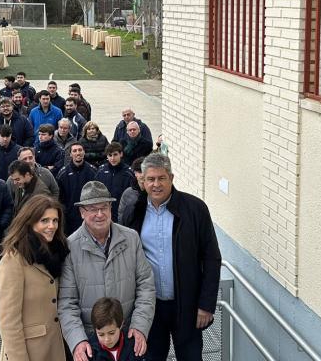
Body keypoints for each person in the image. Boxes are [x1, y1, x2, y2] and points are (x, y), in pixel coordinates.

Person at [123, 153, 222, 361]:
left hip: (187, 306)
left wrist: (206, 304)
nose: (156, 184)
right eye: (150, 179)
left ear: (172, 178)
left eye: (161, 178)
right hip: (151, 308)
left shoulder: (195, 209)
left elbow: (212, 258)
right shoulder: (135, 211)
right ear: (143, 181)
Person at [59, 181, 154, 361]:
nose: (100, 214)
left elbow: (146, 286)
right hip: (92, 345)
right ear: (81, 212)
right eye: (93, 209)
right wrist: (78, 341)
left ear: (111, 208)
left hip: (128, 339)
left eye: (104, 207)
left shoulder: (131, 238)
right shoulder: (70, 248)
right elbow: (66, 302)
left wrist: (140, 326)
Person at [0, 195, 69, 361]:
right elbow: (9, 322)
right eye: (44, 220)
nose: (51, 226)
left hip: (56, 346)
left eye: (55, 220)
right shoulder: (13, 260)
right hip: (28, 352)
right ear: (30, 221)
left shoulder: (57, 253)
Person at [56, 143, 97, 235]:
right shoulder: (63, 173)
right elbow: (59, 198)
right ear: (70, 154)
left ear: (84, 152)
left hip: (89, 215)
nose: (78, 153)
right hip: (70, 218)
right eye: (74, 151)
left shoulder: (93, 171)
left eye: (80, 150)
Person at [96, 143, 133, 221]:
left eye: (115, 155)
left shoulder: (128, 173)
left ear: (121, 154)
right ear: (107, 156)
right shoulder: (101, 171)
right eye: (110, 155)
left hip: (122, 214)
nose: (112, 158)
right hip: (104, 213)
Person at [118, 159, 145, 225]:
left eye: (144, 172)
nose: (142, 175)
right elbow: (121, 217)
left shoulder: (154, 193)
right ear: (135, 173)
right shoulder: (128, 193)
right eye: (139, 172)